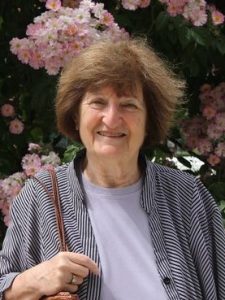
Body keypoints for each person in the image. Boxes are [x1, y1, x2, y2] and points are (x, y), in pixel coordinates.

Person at [0, 38, 225, 300]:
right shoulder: (41, 197)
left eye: (128, 104)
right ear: (76, 115)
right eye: (98, 102)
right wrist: (29, 282)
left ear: (149, 120)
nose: (111, 119)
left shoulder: (188, 197)